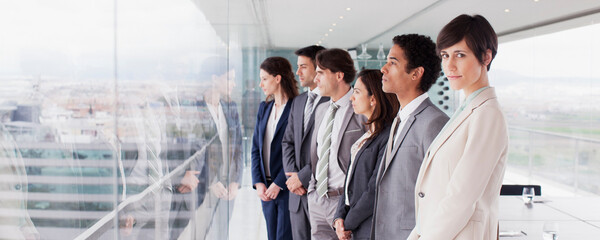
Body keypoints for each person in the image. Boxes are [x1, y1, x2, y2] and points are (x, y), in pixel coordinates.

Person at [408, 14, 508, 240]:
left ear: (486, 56)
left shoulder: (487, 114)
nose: (449, 65)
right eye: (445, 55)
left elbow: (461, 198)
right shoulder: (466, 109)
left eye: (460, 55)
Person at [371, 34, 449, 239]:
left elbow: (441, 195)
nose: (383, 68)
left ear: (416, 73)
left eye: (393, 62)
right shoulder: (399, 118)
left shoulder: (435, 123)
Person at [176, 56, 243, 240]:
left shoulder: (230, 108)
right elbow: (193, 151)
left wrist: (235, 181)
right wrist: (211, 182)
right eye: (229, 79)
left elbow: (238, 148)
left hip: (228, 187)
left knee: (221, 234)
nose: (233, 84)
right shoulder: (194, 108)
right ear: (215, 79)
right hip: (204, 187)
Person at [332, 69, 399, 240]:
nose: (351, 98)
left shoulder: (388, 136)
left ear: (373, 99)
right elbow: (349, 181)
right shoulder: (367, 135)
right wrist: (339, 216)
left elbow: (374, 190)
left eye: (357, 92)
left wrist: (347, 223)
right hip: (354, 225)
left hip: (369, 228)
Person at [308, 48, 367, 240]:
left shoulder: (360, 109)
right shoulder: (321, 109)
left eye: (320, 73)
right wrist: (312, 191)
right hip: (318, 200)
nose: (315, 79)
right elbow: (316, 155)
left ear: (339, 75)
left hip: (343, 203)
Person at [282, 45, 328, 240]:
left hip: (320, 193)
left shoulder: (332, 101)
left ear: (318, 67)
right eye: (297, 66)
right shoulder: (298, 101)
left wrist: (303, 177)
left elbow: (329, 150)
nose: (297, 72)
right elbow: (287, 142)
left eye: (303, 67)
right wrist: (293, 177)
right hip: (297, 195)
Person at [251, 56, 298, 240]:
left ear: (277, 78)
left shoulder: (296, 107)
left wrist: (279, 183)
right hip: (266, 189)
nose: (261, 84)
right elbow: (256, 148)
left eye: (264, 78)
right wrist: (259, 182)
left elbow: (297, 151)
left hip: (286, 187)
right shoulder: (265, 107)